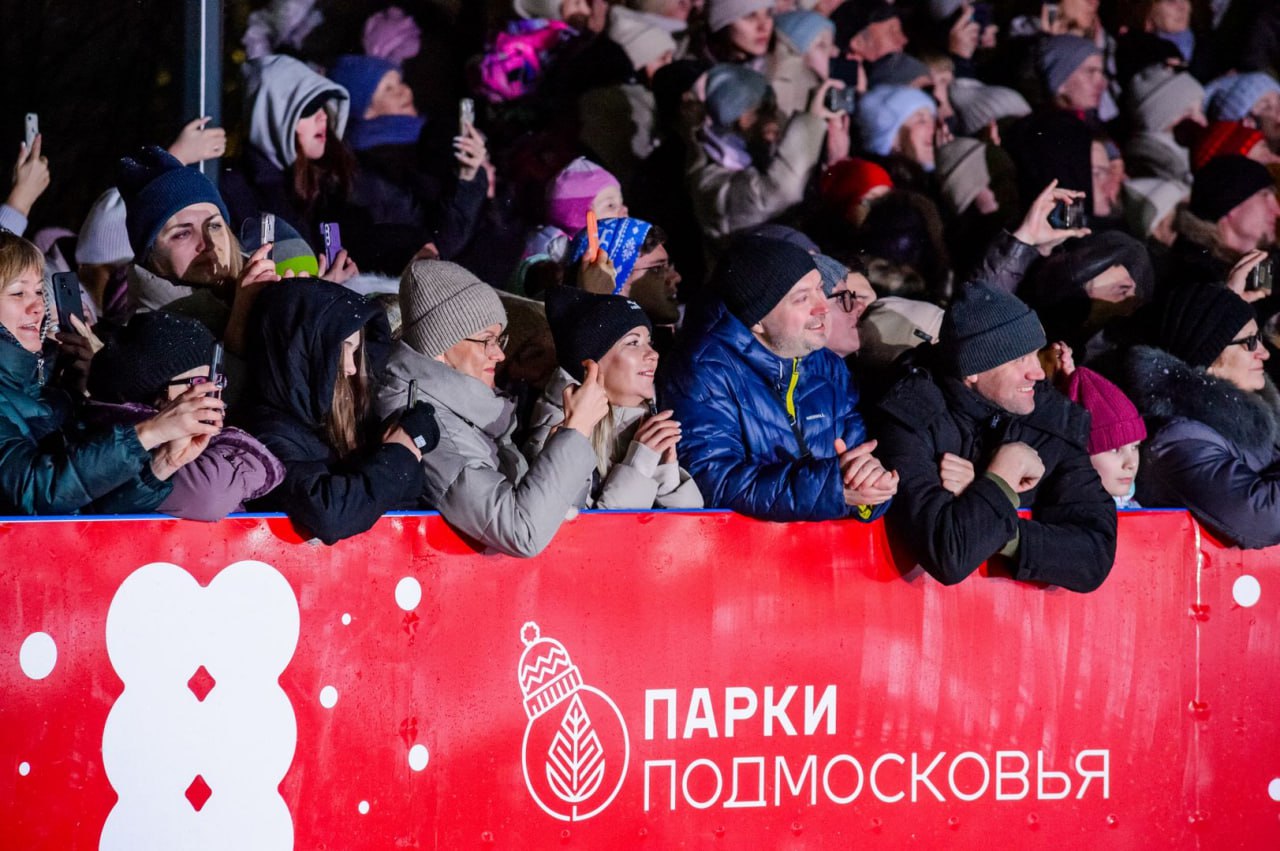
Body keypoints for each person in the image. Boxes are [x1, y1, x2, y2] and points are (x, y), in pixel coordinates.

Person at [872, 282, 1117, 592]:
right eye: (1019, 360)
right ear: (972, 370)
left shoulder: (1048, 418)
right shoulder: (911, 413)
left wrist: (990, 498)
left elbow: (1094, 556)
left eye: (1035, 355)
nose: (1038, 373)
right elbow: (948, 554)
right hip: (904, 628)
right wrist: (1005, 473)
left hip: (1015, 632)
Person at [374, 260, 606, 557]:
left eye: (499, 339)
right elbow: (521, 531)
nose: (499, 354)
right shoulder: (427, 424)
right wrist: (576, 432)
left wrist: (563, 447)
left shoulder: (476, 412)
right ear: (439, 345)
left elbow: (556, 518)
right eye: (486, 341)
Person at [661, 237, 897, 521]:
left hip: (819, 558)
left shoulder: (830, 367)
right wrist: (832, 489)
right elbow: (712, 481)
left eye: (820, 289)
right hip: (742, 559)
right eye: (801, 298)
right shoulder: (703, 371)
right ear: (757, 321)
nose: (823, 306)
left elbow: (855, 465)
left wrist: (871, 486)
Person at [0, 232, 220, 515]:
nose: (38, 306)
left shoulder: (51, 389)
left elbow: (90, 512)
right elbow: (35, 491)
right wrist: (149, 432)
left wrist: (163, 462)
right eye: (18, 292)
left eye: (39, 292)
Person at [242, 280, 435, 545]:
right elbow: (330, 514)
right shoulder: (263, 433)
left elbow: (402, 498)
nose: (351, 367)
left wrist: (410, 436)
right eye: (339, 350)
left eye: (355, 351)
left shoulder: (344, 418)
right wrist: (399, 454)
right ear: (300, 351)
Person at [1119, 283, 1280, 548]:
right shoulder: (1178, 440)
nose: (1263, 352)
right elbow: (1263, 517)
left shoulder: (1248, 425)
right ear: (1209, 357)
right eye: (1250, 342)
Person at [84, 311, 283, 521]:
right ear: (154, 393)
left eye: (216, 381)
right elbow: (209, 495)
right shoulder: (119, 441)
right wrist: (243, 454)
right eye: (198, 383)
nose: (212, 395)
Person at [526, 285, 702, 509]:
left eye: (649, 342)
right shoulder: (552, 437)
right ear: (591, 365)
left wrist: (666, 473)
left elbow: (689, 535)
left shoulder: (644, 429)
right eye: (633, 343)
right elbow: (583, 537)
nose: (653, 354)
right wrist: (638, 465)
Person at [327, 53, 489, 272]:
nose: (404, 91)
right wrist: (468, 180)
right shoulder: (369, 169)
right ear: (363, 106)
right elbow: (434, 247)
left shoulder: (431, 139)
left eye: (400, 82)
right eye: (388, 89)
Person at [688, 63, 835, 241]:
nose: (776, 118)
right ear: (743, 118)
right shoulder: (710, 182)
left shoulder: (756, 154)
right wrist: (811, 121)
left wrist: (835, 157)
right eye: (767, 108)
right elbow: (779, 192)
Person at [1167, 155, 1278, 288]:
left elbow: (1264, 297)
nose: (1277, 210)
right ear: (1230, 205)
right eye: (1265, 196)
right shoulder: (1193, 279)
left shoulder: (1266, 263)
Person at [1063, 366, 1146, 510]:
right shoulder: (1066, 519)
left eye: (1135, 447)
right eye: (1114, 449)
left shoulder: (1135, 507)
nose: (1131, 463)